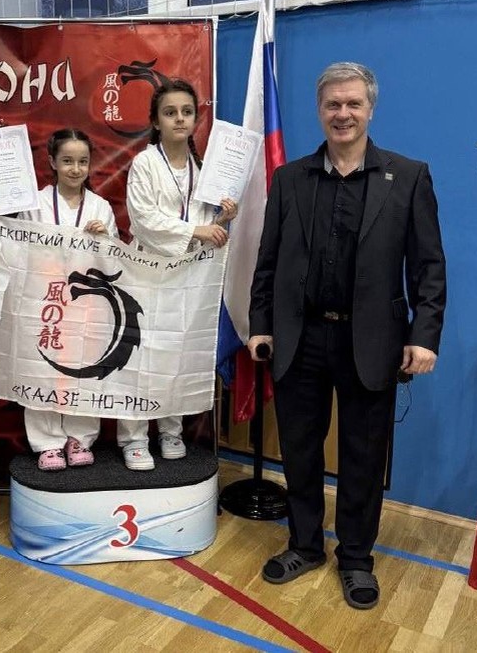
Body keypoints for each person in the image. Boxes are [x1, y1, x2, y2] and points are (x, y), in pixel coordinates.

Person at [248, 62, 446, 610]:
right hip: (300, 338)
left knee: (363, 456)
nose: (343, 113)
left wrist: (424, 335)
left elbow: (429, 266)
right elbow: (268, 261)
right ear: (320, 111)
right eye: (332, 104)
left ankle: (356, 558)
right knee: (300, 451)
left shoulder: (408, 176)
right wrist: (261, 324)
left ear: (370, 109)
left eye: (353, 103)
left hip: (372, 342)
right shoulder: (289, 179)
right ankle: (305, 545)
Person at [0, 128, 118, 471]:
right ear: (52, 162)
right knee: (40, 369)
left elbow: (116, 262)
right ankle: (48, 443)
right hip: (44, 301)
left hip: (86, 303)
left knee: (84, 370)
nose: (75, 169)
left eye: (82, 161)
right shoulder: (34, 203)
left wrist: (104, 239)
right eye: (67, 161)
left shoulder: (100, 207)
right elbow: (12, 244)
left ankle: (80, 438)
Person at [121, 78, 238, 471]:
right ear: (156, 121)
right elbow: (143, 219)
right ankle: (135, 437)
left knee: (177, 355)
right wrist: (197, 230)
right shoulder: (145, 164)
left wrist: (222, 218)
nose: (180, 119)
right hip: (148, 273)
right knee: (142, 356)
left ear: (195, 119)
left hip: (188, 278)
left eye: (187, 112)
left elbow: (207, 228)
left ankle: (170, 430)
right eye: (170, 113)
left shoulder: (203, 169)